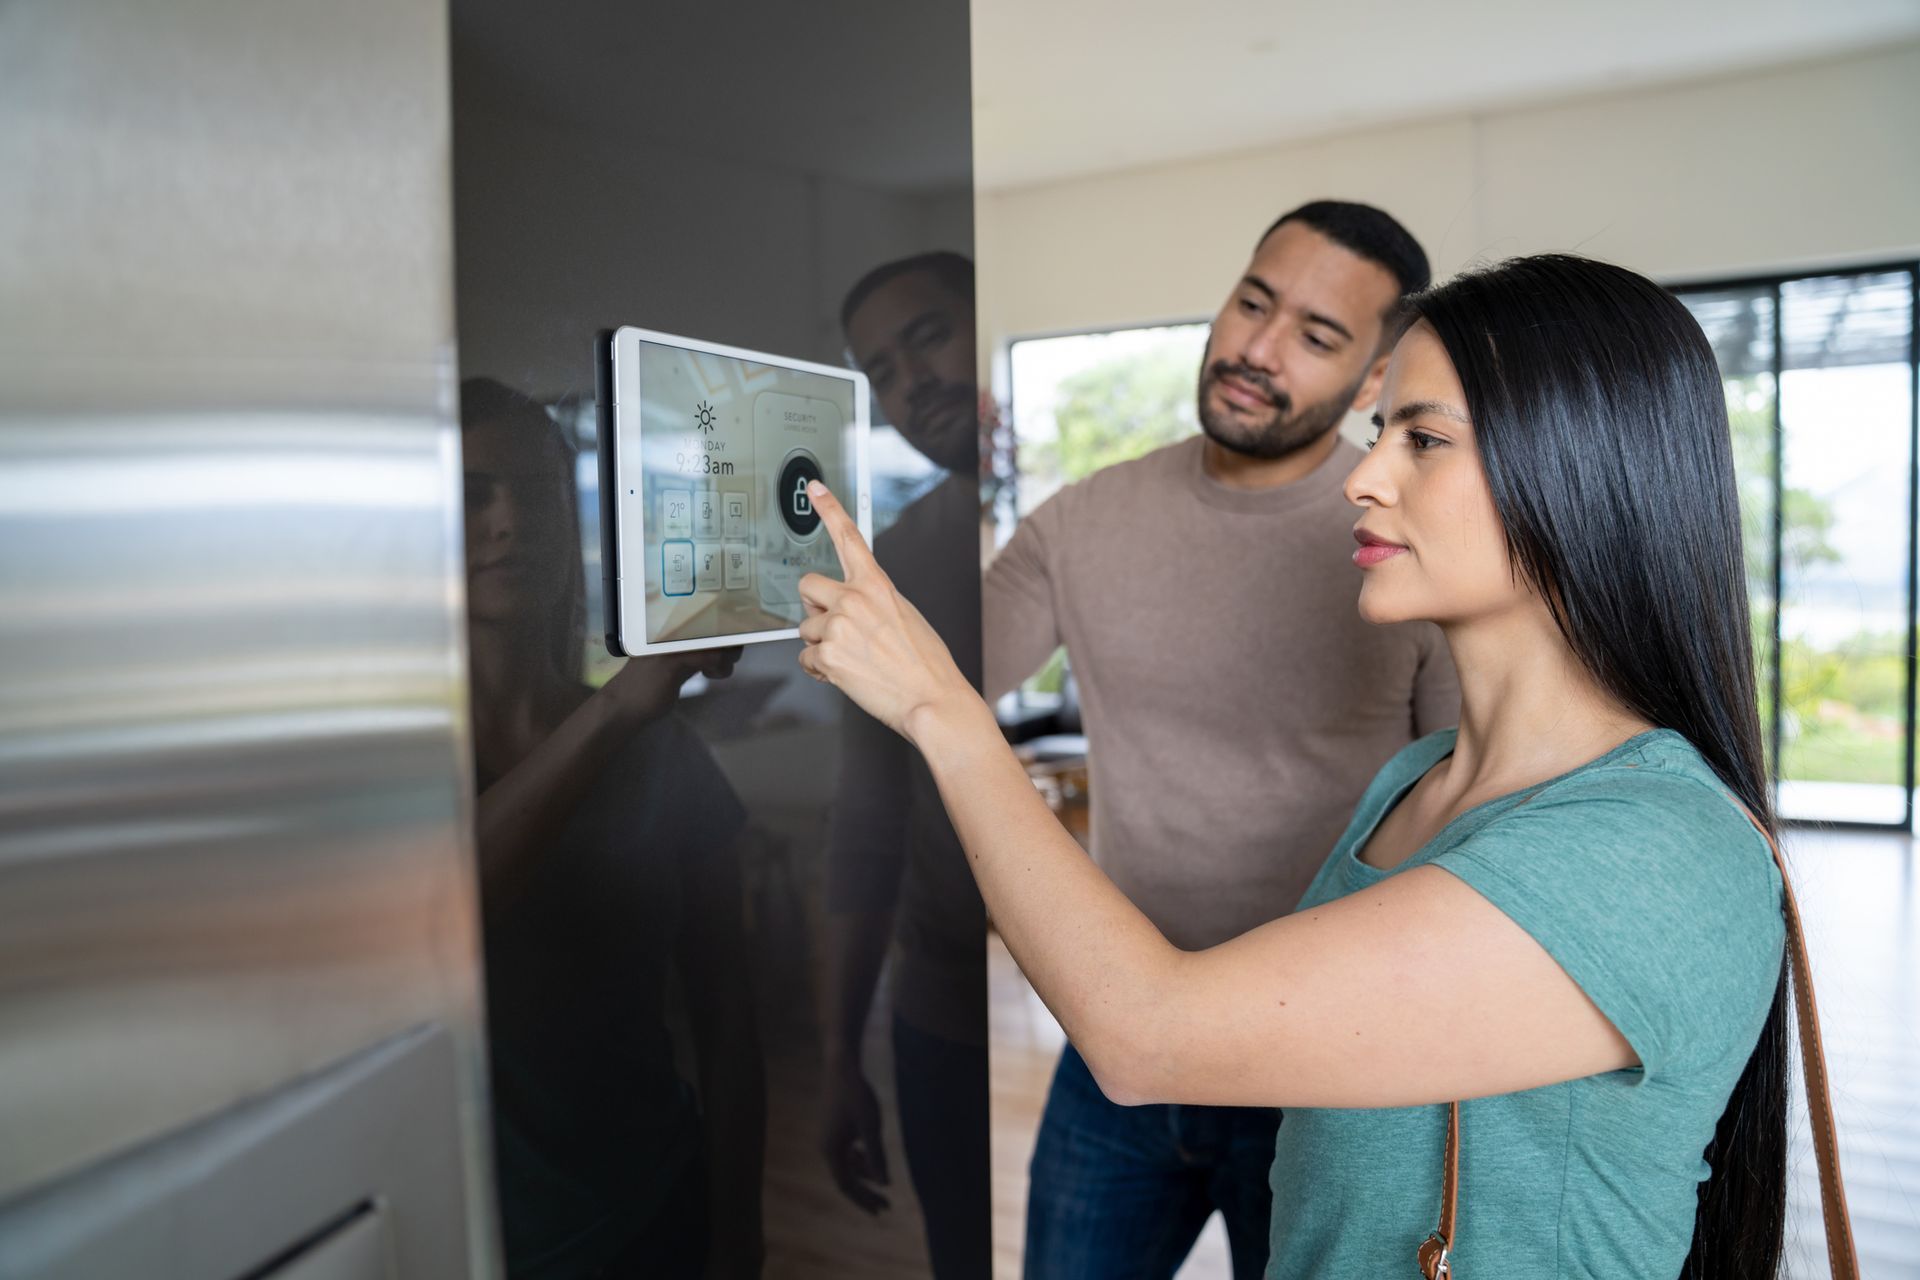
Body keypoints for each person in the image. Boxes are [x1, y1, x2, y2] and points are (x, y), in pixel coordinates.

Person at [792, 253, 1795, 1277]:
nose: (1364, 476)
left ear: (1585, 470)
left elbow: (1145, 1031)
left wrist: (942, 708)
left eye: (1426, 439)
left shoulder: (1653, 851)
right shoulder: (1412, 781)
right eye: (1381, 432)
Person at [982, 201, 1458, 1278]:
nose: (1255, 347)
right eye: (1255, 302)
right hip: (1117, 1045)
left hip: (1322, 1066)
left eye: (1317, 335)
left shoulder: (1409, 551)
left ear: (1375, 377)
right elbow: (931, 674)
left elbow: (1470, 823)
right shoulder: (1081, 520)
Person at [460, 377, 766, 1278]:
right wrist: (618, 711)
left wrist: (738, 1232)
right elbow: (436, 921)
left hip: (652, 1213)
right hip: (472, 1233)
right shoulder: (383, 771)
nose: (511, 520)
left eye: (538, 490)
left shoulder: (662, 754)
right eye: (474, 493)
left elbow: (729, 1019)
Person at [818, 252, 991, 1278]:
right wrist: (840, 1050)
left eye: (928, 335)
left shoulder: (1115, 512)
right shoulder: (897, 562)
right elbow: (868, 818)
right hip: (946, 1016)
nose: (911, 381)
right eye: (879, 369)